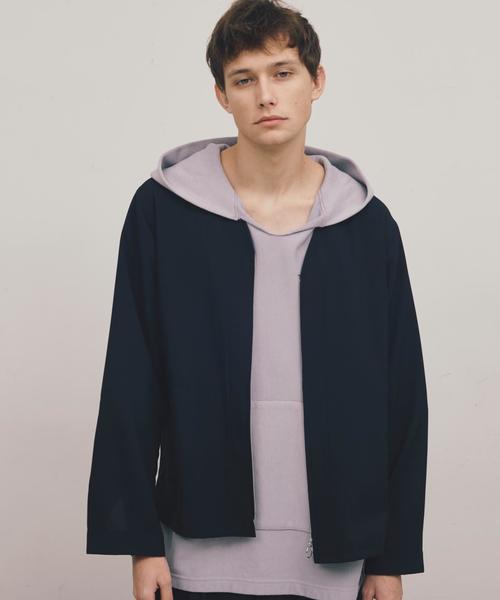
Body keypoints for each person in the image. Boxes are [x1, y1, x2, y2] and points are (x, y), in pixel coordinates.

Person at [86, 1, 429, 600]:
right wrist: (142, 544)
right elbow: (131, 381)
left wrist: (391, 557)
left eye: (283, 72)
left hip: (339, 552)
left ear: (316, 82)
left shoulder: (367, 225)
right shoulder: (164, 212)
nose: (266, 96)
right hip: (197, 550)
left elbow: (403, 398)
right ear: (222, 95)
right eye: (244, 80)